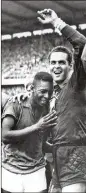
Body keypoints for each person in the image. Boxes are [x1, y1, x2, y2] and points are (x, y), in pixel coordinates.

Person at [37, 9, 86, 192]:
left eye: (61, 62)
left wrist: (56, 22)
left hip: (76, 156)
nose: (56, 66)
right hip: (57, 159)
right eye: (53, 63)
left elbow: (81, 43)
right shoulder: (52, 94)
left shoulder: (77, 82)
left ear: (71, 66)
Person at [1, 71, 57, 193]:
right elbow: (4, 136)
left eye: (50, 92)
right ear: (31, 88)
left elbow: (41, 144)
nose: (47, 96)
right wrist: (37, 126)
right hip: (11, 169)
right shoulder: (15, 103)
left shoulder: (48, 109)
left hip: (36, 169)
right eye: (42, 91)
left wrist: (56, 148)